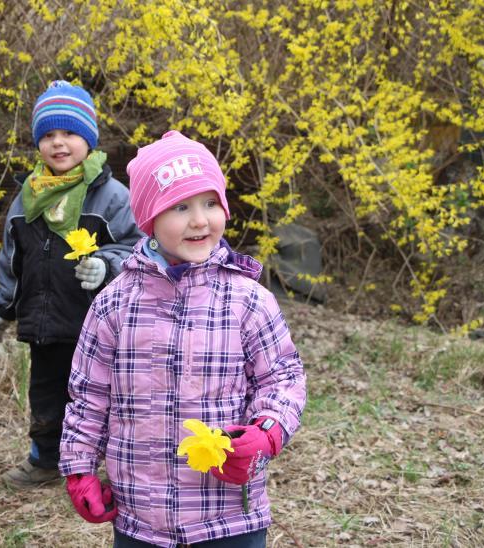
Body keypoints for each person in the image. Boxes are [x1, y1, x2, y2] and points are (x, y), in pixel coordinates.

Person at [60, 130, 306, 547]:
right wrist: (79, 467)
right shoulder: (113, 305)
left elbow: (283, 377)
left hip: (229, 516)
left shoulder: (248, 300)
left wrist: (266, 430)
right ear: (149, 220)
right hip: (140, 517)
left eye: (211, 203)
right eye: (180, 206)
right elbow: (89, 396)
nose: (199, 219)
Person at [0, 80, 143, 488]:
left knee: (105, 397)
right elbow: (12, 257)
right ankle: (45, 460)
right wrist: (2, 307)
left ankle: (114, 466)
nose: (58, 143)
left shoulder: (112, 196)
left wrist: (107, 265)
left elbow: (141, 247)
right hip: (45, 322)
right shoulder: (27, 198)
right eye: (48, 135)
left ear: (88, 139)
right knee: (47, 395)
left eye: (69, 133)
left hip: (98, 324)